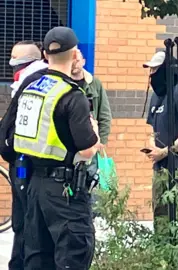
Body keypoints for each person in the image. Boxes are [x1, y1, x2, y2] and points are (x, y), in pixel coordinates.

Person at [12, 26, 100, 269]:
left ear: (45, 55)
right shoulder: (72, 95)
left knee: (37, 258)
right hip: (65, 192)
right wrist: (94, 130)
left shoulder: (29, 90)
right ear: (74, 55)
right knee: (73, 255)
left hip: (34, 186)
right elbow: (88, 148)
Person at [0, 40, 49, 270]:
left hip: (27, 165)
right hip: (21, 164)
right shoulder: (25, 84)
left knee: (28, 223)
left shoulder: (35, 85)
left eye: (16, 63)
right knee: (21, 222)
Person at [141, 50, 178, 230]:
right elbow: (151, 129)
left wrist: (165, 152)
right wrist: (151, 146)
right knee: (161, 218)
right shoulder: (156, 96)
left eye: (155, 69)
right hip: (160, 170)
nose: (151, 74)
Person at [71, 50, 112, 216]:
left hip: (90, 146)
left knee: (90, 187)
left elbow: (104, 114)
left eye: (77, 59)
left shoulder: (94, 84)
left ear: (83, 61)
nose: (75, 63)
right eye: (71, 60)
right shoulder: (63, 83)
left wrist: (100, 141)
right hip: (70, 148)